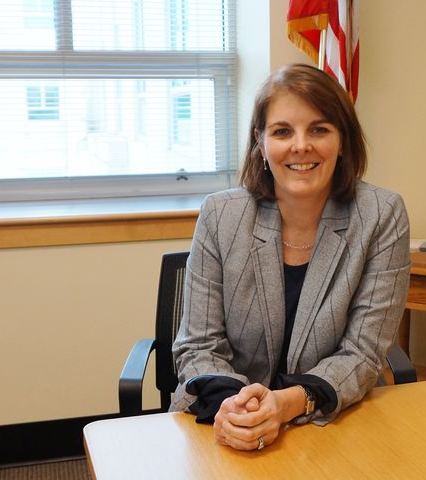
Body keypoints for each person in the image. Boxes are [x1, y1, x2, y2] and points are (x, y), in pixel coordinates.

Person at [170, 63, 411, 452]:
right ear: (260, 142)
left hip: (329, 421)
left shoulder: (381, 215)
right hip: (224, 418)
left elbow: (363, 352)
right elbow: (198, 344)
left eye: (319, 129)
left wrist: (285, 404)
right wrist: (237, 408)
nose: (301, 146)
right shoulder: (221, 215)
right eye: (283, 131)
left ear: (343, 140)